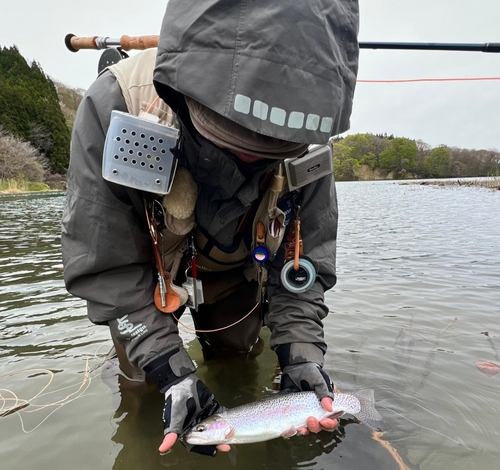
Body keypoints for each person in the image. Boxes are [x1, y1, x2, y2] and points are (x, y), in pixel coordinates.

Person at [61, 0, 359, 457]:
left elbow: (304, 268)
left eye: (271, 152)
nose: (250, 161)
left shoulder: (309, 137)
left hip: (236, 265)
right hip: (147, 274)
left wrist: (300, 352)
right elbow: (107, 270)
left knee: (239, 353)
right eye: (232, 139)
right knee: (144, 379)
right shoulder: (115, 106)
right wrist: (170, 370)